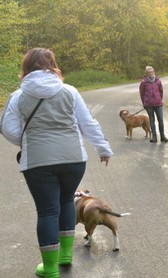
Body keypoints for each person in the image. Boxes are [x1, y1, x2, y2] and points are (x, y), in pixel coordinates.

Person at [0, 48, 113, 277]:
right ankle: (65, 256)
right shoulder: (69, 91)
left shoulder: (18, 96)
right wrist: (103, 148)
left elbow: (7, 128)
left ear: (26, 67)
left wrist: (29, 139)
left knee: (47, 211)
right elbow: (87, 123)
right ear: (52, 65)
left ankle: (50, 268)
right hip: (73, 159)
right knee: (65, 202)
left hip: (38, 162)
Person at [139, 66, 168, 143]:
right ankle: (154, 136)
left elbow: (161, 91)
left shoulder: (158, 81)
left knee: (161, 120)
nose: (150, 73)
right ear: (146, 73)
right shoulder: (143, 82)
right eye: (149, 72)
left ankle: (162, 136)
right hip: (148, 105)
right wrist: (144, 103)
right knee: (151, 120)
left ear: (154, 72)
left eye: (152, 72)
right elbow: (142, 94)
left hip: (158, 104)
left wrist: (159, 99)